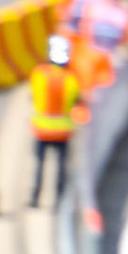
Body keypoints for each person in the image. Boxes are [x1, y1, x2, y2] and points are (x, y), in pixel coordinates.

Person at [29, 35, 82, 210]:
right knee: (60, 167)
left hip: (42, 129)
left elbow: (34, 97)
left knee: (39, 165)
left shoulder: (39, 75)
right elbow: (76, 101)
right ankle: (58, 202)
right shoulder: (71, 80)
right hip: (62, 131)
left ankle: (35, 198)